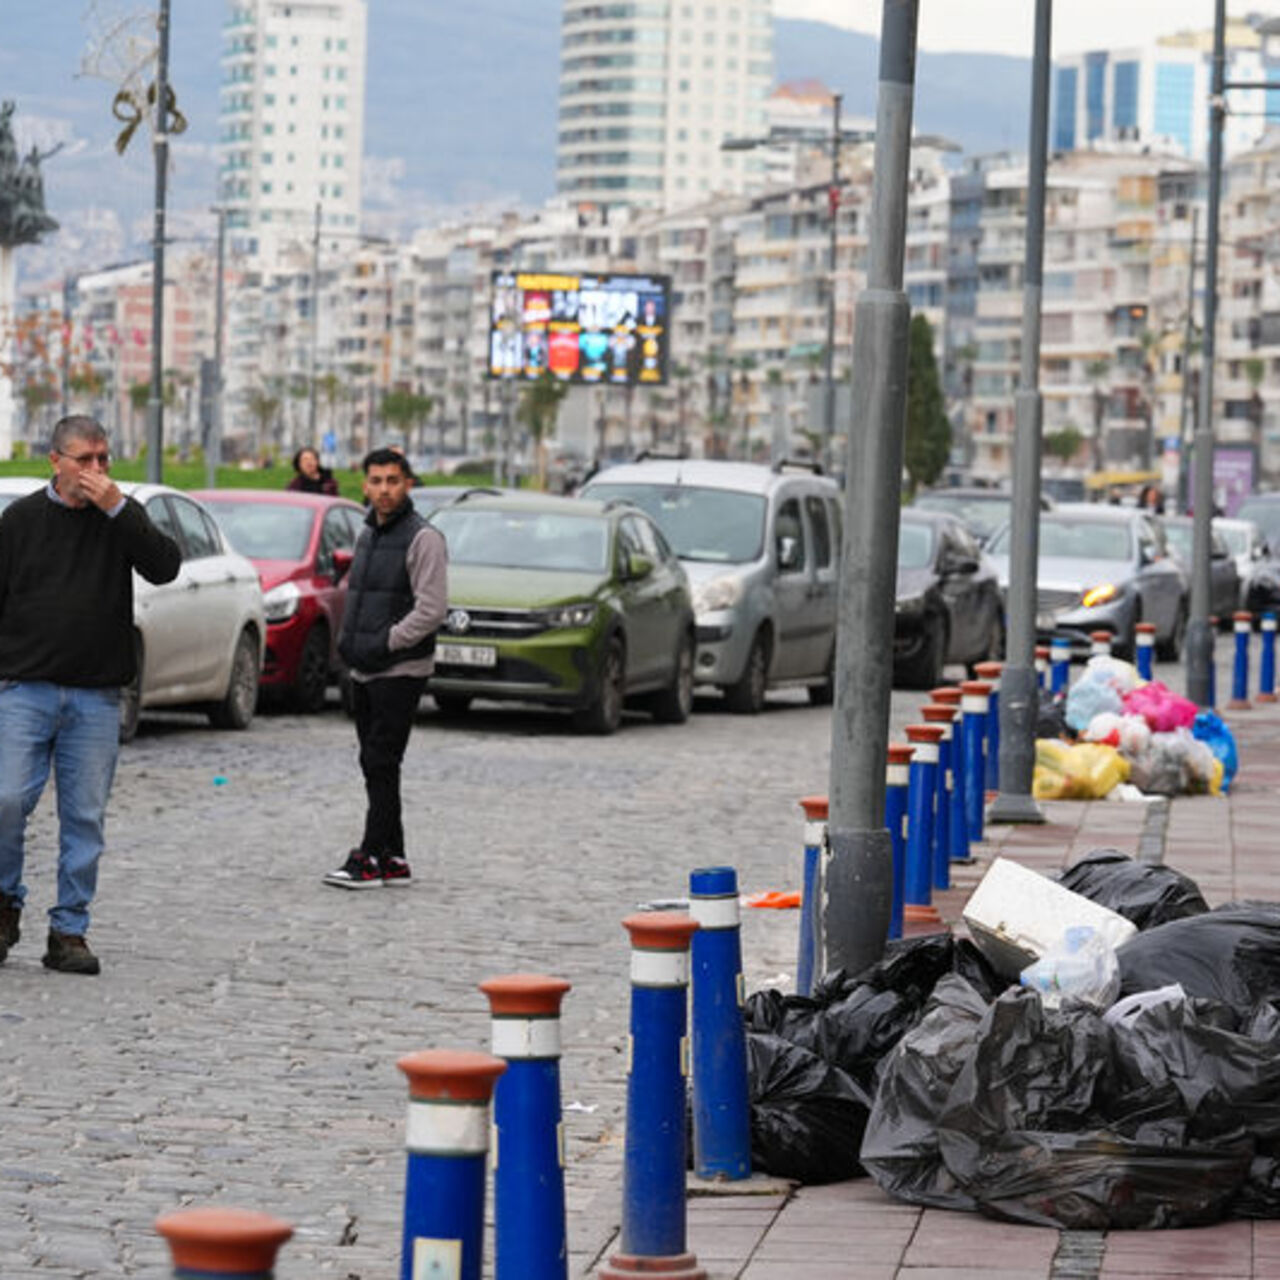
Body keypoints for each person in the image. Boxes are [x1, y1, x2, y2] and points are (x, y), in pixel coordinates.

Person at [0, 416, 181, 974]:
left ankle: (69, 930)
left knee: (84, 818)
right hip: (25, 689)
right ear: (56, 461)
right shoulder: (21, 520)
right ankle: (4, 904)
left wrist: (120, 510)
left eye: (105, 459)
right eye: (85, 460)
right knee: (5, 800)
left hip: (96, 697)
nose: (98, 471)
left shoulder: (120, 519)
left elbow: (165, 566)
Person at [325, 448, 447, 889]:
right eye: (376, 481)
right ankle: (392, 857)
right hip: (364, 668)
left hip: (401, 669)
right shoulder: (367, 534)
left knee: (380, 759)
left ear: (408, 484)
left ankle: (367, 856)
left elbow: (431, 610)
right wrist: (351, 644)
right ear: (365, 485)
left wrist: (385, 642)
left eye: (392, 480)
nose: (384, 489)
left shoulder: (424, 538)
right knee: (377, 764)